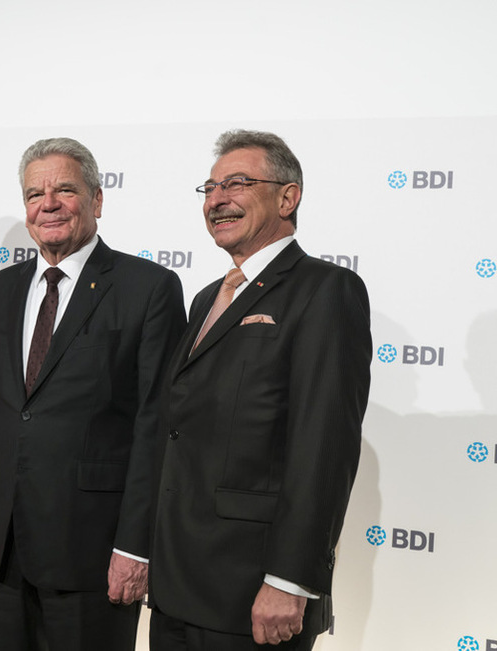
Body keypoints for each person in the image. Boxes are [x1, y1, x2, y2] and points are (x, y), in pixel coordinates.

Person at [0, 137, 187, 651]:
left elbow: (156, 426)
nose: (48, 204)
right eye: (34, 193)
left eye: (64, 189)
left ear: (97, 200)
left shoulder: (148, 287)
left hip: (93, 550)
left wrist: (135, 546)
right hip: (1, 544)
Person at [149, 129, 371, 651]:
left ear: (288, 196)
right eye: (209, 187)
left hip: (253, 592)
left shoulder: (326, 289)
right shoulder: (208, 297)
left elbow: (324, 446)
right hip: (178, 585)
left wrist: (289, 581)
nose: (218, 199)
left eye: (238, 183)